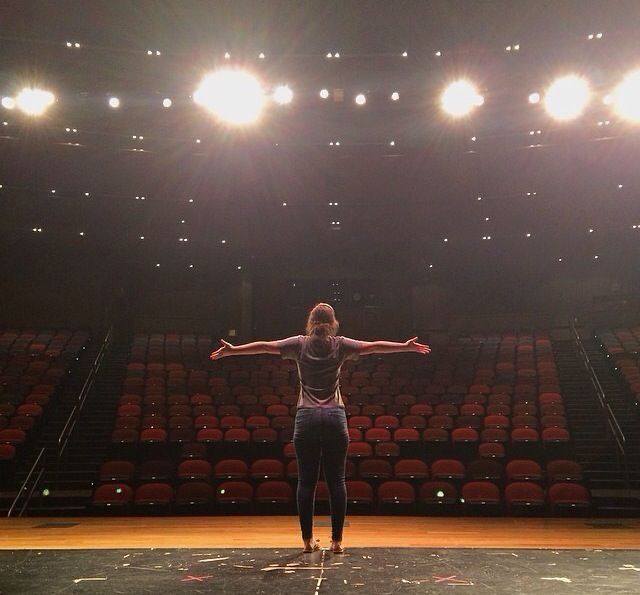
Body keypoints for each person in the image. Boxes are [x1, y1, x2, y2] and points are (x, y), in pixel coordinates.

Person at [210, 302, 430, 553]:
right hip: (334, 416)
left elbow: (265, 346)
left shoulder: (299, 343)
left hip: (307, 417)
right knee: (337, 481)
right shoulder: (341, 344)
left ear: (311, 322)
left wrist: (233, 350)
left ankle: (307, 541)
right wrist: (405, 347)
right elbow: (374, 346)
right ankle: (337, 542)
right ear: (333, 322)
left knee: (306, 482)